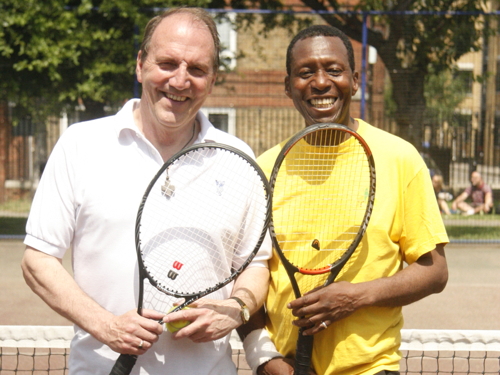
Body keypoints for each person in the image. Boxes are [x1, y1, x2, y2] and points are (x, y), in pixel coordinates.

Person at [21, 8, 271, 375]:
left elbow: (256, 264)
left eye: (197, 69)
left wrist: (236, 310)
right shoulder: (81, 144)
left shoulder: (237, 158)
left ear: (213, 80)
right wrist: (106, 325)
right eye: (167, 63)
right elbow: (38, 260)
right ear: (140, 65)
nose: (180, 80)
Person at [238, 25, 448, 375]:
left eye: (333, 70)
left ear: (354, 80)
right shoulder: (263, 169)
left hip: (371, 368)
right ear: (288, 86)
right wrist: (265, 360)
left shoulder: (400, 158)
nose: (321, 82)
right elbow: (248, 275)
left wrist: (356, 297)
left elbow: (435, 272)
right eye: (306, 72)